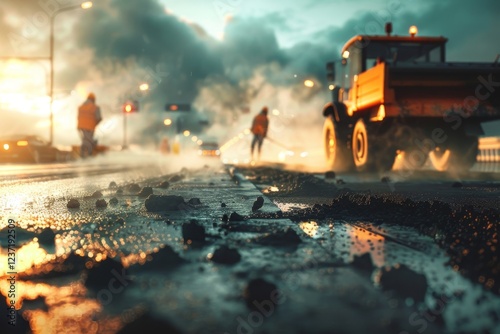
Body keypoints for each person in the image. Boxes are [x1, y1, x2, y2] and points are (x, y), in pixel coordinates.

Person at [77, 92, 102, 158]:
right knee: (89, 141)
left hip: (80, 127)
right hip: (89, 127)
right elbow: (99, 118)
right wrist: (95, 123)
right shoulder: (95, 107)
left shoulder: (81, 107)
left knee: (86, 140)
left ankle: (84, 154)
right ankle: (88, 155)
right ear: (93, 99)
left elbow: (78, 117)